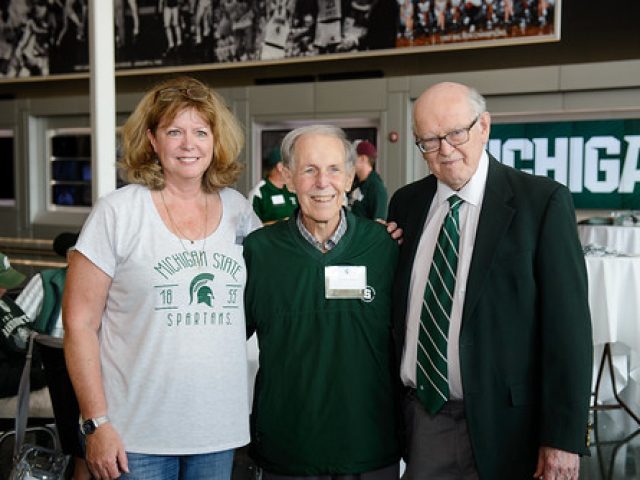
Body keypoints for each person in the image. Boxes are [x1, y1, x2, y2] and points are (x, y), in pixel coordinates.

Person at [387, 81, 592, 480]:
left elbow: (568, 331)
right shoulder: (406, 203)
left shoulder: (542, 202)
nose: (445, 150)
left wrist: (563, 438)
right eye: (429, 141)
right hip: (422, 418)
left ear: (484, 126)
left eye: (455, 133)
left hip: (510, 428)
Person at [62, 76, 261, 480]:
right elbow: (79, 323)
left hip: (216, 432)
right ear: (152, 140)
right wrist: (96, 424)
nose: (189, 144)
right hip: (133, 437)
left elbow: (284, 272)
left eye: (200, 132)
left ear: (215, 140)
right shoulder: (118, 212)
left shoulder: (240, 211)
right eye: (175, 131)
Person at [244, 125, 401, 479]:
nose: (322, 182)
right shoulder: (259, 252)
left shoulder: (386, 247)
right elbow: (220, 342)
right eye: (309, 169)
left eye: (333, 170)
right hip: (287, 453)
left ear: (349, 179)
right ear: (287, 177)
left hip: (370, 450)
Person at [15, 232, 91, 480]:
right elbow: (17, 328)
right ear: (69, 257)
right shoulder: (47, 281)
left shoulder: (104, 285)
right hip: (49, 365)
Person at [247, 146, 297, 224]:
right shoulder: (259, 192)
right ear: (280, 167)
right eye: (290, 164)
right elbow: (250, 227)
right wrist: (282, 224)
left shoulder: (293, 189)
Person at [348, 139, 388, 221]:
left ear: (363, 158)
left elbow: (378, 223)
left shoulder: (376, 187)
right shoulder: (356, 184)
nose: (350, 161)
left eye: (353, 157)